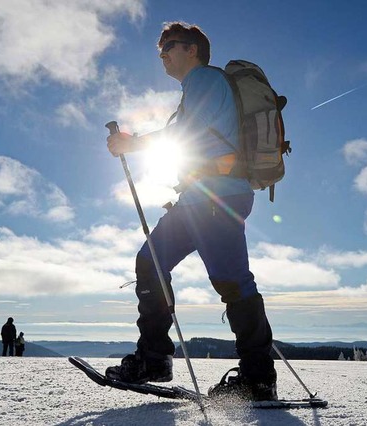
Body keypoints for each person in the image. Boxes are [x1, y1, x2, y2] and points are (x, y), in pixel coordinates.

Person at [104, 22, 277, 401]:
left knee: (232, 282)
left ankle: (259, 377)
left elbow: (185, 136)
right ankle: (154, 358)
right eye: (161, 49)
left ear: (192, 50)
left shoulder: (204, 81)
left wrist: (132, 143)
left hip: (217, 199)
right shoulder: (196, 88)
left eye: (170, 46)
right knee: (149, 261)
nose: (163, 54)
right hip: (199, 198)